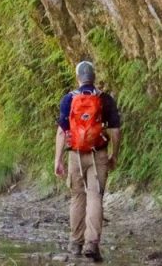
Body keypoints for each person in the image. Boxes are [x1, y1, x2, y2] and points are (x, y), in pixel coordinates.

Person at [54, 60, 121, 262]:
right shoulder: (105, 99)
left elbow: (61, 132)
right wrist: (114, 154)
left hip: (75, 155)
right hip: (98, 154)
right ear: (94, 77)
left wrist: (58, 159)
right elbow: (115, 131)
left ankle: (75, 243)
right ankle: (92, 243)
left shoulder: (69, 99)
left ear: (78, 78)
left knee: (77, 197)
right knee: (95, 197)